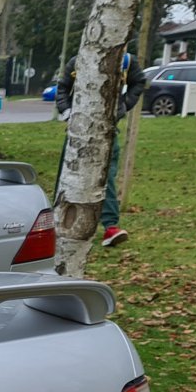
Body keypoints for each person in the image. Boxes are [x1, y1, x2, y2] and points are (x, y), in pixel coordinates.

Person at [55, 48, 146, 247]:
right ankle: (57, 220)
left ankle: (111, 227)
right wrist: (68, 112)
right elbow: (62, 88)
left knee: (106, 177)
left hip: (107, 131)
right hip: (77, 132)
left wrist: (124, 105)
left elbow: (139, 82)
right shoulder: (77, 61)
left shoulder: (126, 62)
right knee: (67, 174)